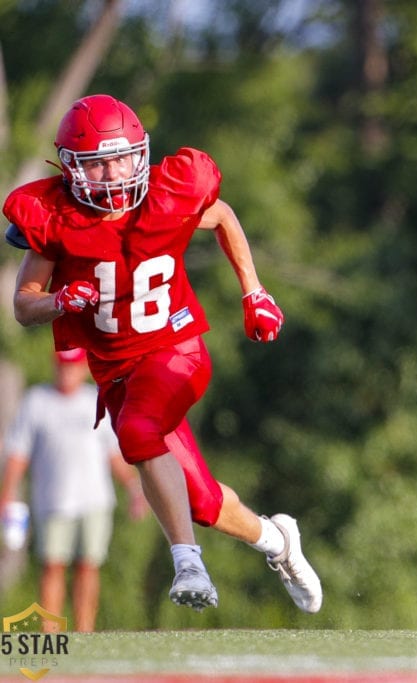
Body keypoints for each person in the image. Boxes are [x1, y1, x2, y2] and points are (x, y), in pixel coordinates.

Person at [3, 94, 322, 615]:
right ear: (71, 168)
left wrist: (254, 291)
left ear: (140, 153)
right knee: (201, 501)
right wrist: (58, 301)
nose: (114, 170)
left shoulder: (167, 195)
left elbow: (221, 216)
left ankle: (187, 563)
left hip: (176, 350)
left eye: (122, 156)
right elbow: (23, 305)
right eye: (99, 161)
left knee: (135, 432)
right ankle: (277, 540)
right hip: (120, 372)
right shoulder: (55, 219)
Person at [0, 348, 147, 631]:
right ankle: (50, 629)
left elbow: (112, 454)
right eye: (62, 367)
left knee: (88, 566)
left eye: (73, 367)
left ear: (83, 369)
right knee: (52, 565)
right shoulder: (37, 401)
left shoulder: (94, 399)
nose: (67, 373)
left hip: (94, 500)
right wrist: (7, 494)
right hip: (52, 501)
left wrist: (133, 487)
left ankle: (85, 630)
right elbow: (19, 454)